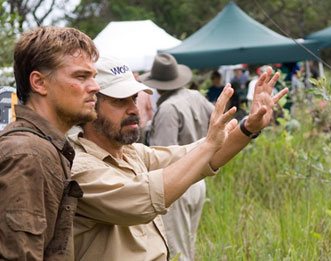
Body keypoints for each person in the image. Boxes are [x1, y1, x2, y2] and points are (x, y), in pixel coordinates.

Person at [70, 55, 288, 260]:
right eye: (119, 101)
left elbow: (199, 154)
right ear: (90, 106)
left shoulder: (130, 153)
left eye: (134, 98)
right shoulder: (78, 166)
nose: (133, 109)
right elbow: (142, 201)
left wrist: (249, 127)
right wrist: (211, 144)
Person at [0, 26, 99, 260]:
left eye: (94, 76)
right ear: (39, 83)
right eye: (81, 76)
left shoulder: (44, 147)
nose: (95, 86)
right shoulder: (28, 154)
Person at [143, 53, 214, 260]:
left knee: (175, 250)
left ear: (157, 84)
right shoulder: (196, 97)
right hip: (198, 180)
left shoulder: (167, 108)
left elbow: (164, 155)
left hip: (178, 182)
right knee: (188, 244)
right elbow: (218, 120)